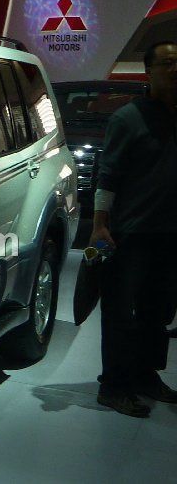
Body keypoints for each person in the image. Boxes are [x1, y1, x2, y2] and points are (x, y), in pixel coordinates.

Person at [91, 40, 177, 417]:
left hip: (170, 234)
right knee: (120, 313)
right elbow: (108, 175)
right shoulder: (127, 119)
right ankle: (113, 386)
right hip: (130, 234)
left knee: (158, 312)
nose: (175, 69)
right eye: (167, 63)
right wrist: (99, 225)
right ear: (149, 71)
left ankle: (145, 375)